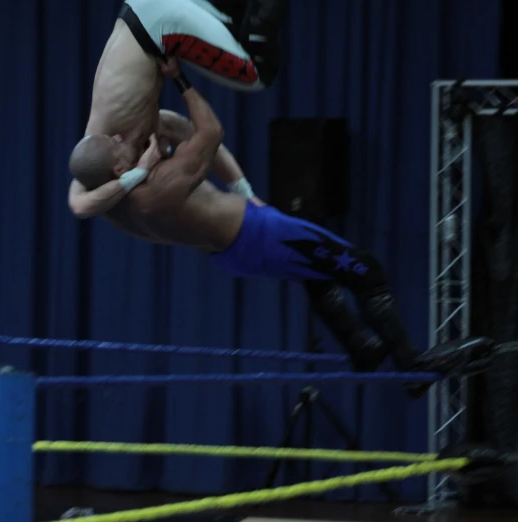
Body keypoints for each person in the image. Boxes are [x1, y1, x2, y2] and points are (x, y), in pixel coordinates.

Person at [68, 58, 443, 397]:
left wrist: (147, 164)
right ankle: (411, 367)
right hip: (257, 232)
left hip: (231, 252)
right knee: (365, 271)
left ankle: (359, 346)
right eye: (114, 144)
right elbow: (211, 132)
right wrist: (179, 78)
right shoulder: (157, 188)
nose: (118, 136)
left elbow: (80, 200)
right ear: (119, 170)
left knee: (318, 274)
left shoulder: (103, 198)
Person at [69, 0, 288, 196]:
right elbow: (195, 134)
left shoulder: (110, 137)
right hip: (141, 12)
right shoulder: (114, 138)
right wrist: (244, 191)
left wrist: (138, 173)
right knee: (235, 24)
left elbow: (80, 204)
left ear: (120, 171)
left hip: (157, 24)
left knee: (259, 72)